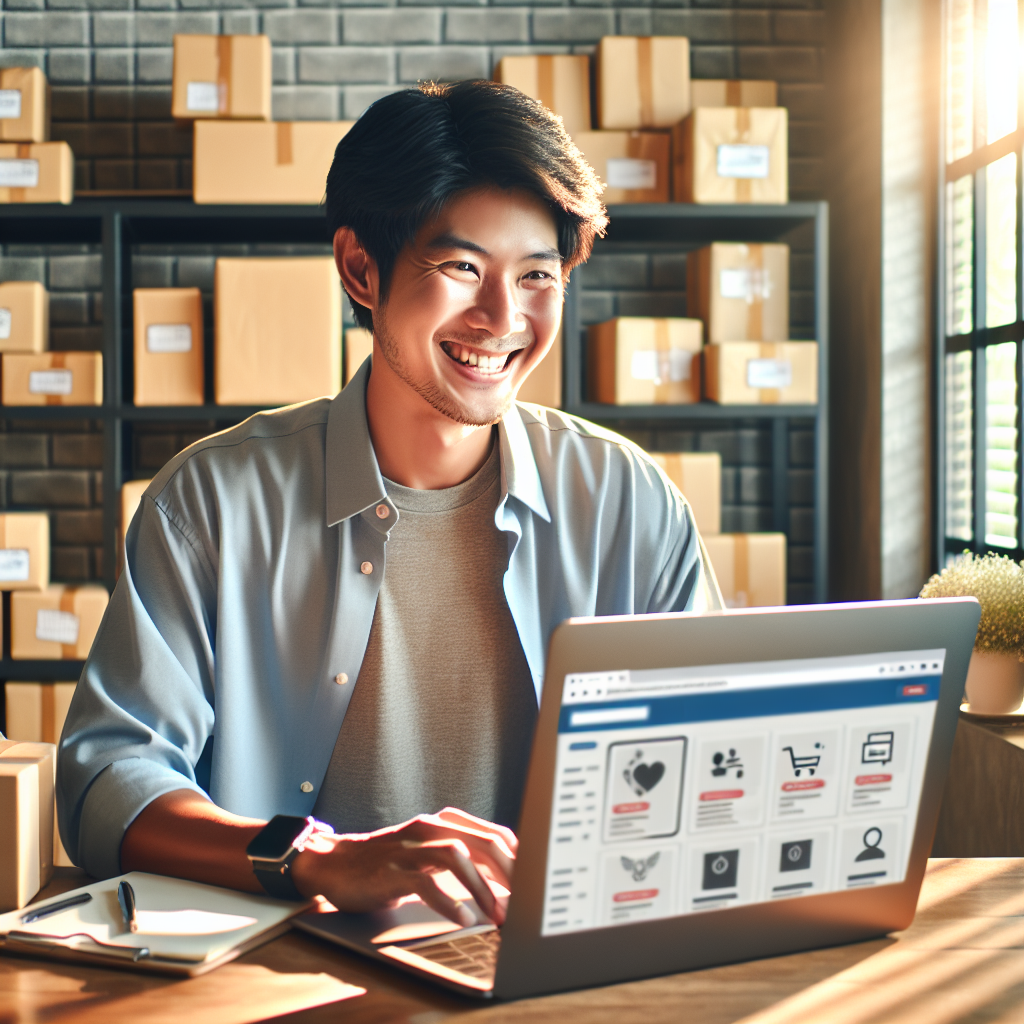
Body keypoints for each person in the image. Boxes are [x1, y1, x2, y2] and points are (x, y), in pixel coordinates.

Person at [57, 80, 720, 929]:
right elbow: (110, 782)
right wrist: (317, 858)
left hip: (554, 973)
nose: (502, 317)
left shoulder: (631, 503)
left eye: (537, 276)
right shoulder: (212, 503)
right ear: (361, 269)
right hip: (282, 969)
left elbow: (707, 765)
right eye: (462, 269)